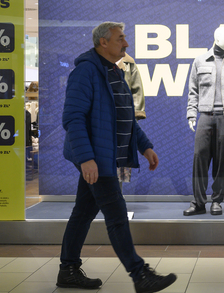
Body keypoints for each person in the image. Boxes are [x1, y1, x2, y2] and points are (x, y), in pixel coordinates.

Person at [58, 22, 176, 293]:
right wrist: (87, 158)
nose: (126, 44)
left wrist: (144, 146)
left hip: (104, 154)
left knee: (83, 211)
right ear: (103, 43)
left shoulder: (114, 71)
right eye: (121, 39)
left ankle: (68, 270)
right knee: (116, 213)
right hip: (96, 156)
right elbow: (72, 119)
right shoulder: (85, 72)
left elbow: (126, 118)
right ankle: (139, 274)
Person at [184, 25, 224, 216]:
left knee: (223, 162)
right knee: (199, 159)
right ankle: (198, 201)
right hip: (205, 116)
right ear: (216, 39)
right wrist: (191, 114)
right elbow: (193, 91)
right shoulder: (199, 61)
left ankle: (217, 200)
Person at [116, 52, 147, 190]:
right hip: (102, 121)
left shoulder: (128, 63)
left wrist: (134, 115)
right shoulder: (94, 63)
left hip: (123, 120)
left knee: (122, 162)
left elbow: (137, 89)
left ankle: (117, 199)